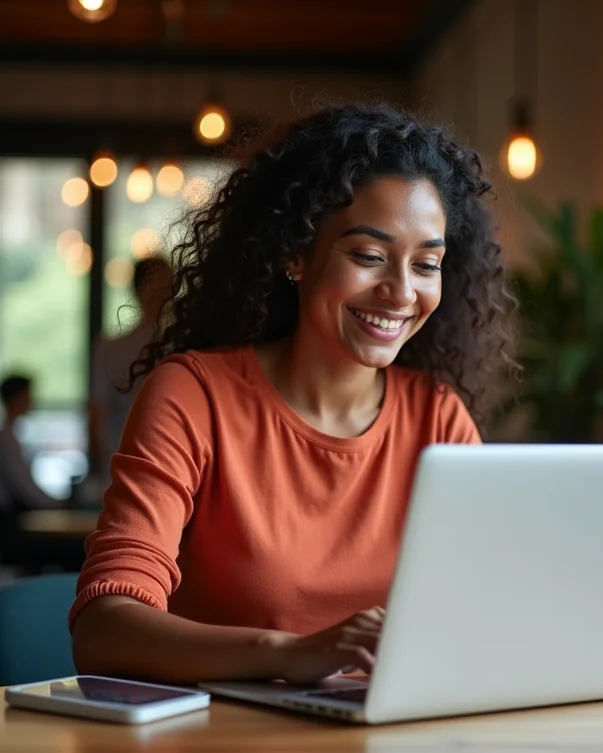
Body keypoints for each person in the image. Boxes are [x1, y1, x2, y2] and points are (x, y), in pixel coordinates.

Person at [70, 104, 517, 685]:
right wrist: (289, 653)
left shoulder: (437, 416)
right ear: (296, 255)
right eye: (368, 256)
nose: (401, 292)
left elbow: (487, 609)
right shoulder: (194, 395)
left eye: (426, 264)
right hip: (225, 742)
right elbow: (105, 628)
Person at [88, 256, 172, 477]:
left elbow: (96, 415)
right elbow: (97, 413)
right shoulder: (180, 346)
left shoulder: (108, 347)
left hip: (133, 463)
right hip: (128, 463)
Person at [0, 374, 65, 513]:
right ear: (16, 399)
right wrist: (56, 505)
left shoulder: (10, 435)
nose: (32, 400)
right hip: (8, 516)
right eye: (28, 395)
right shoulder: (7, 439)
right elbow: (23, 485)